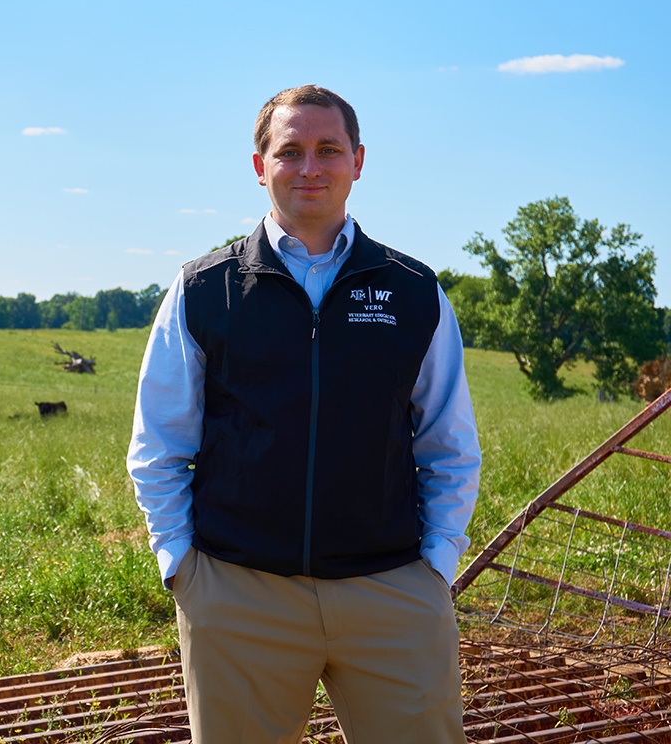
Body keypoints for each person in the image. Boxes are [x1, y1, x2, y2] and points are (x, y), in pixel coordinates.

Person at [126, 84, 480, 744]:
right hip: (239, 593)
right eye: (290, 151)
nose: (310, 167)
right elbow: (161, 441)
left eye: (328, 149)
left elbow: (448, 442)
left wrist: (435, 565)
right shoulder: (205, 289)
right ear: (260, 166)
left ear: (358, 161)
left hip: (391, 591)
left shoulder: (412, 291)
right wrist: (180, 563)